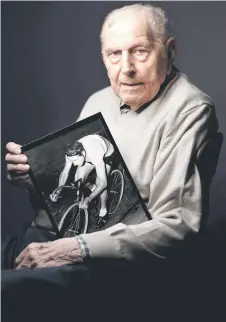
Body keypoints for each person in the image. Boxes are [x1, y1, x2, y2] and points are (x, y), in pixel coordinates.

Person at [2, 3, 219, 322]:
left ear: (170, 51)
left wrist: (71, 249)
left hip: (106, 267)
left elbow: (178, 223)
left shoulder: (190, 110)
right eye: (114, 54)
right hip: (49, 238)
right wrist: (35, 182)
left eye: (140, 51)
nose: (126, 68)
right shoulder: (99, 100)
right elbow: (75, 190)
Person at [49, 134, 115, 227]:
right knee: (78, 180)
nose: (74, 164)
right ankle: (93, 189)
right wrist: (58, 191)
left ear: (83, 154)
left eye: (76, 160)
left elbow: (104, 183)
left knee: (100, 183)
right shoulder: (71, 155)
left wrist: (88, 199)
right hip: (88, 155)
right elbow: (65, 172)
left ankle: (103, 212)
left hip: (106, 154)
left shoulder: (95, 154)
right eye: (72, 161)